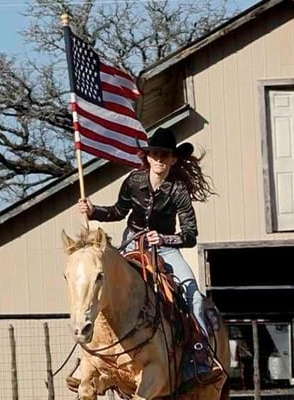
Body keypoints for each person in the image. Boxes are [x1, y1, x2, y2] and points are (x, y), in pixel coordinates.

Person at [77, 127, 222, 383]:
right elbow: (118, 211)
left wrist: (164, 238)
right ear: (147, 157)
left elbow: (190, 235)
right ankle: (87, 360)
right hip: (130, 244)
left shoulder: (178, 190)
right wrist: (93, 210)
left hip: (166, 250)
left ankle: (199, 356)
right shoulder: (133, 181)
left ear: (173, 160)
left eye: (165, 156)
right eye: (155, 155)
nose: (160, 160)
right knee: (100, 285)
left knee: (193, 295)